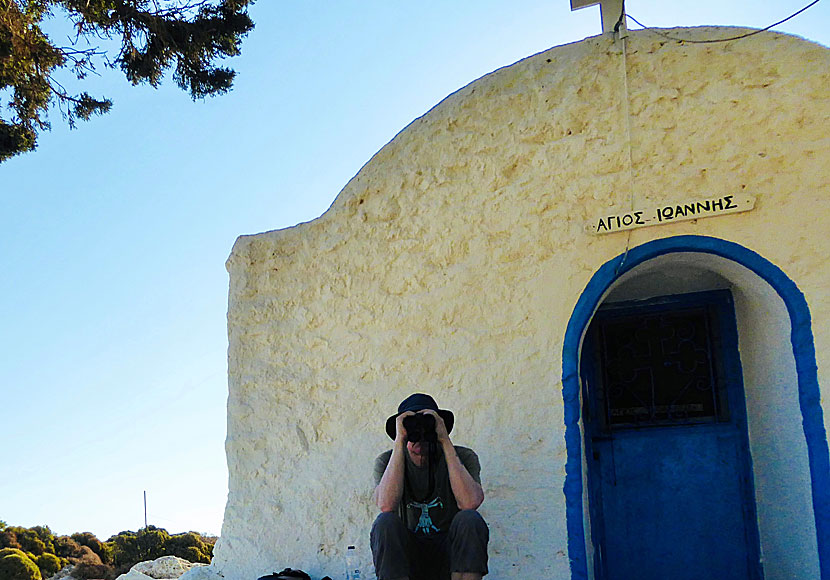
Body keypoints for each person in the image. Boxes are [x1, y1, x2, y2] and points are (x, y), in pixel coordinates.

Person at [371, 393, 489, 580]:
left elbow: (470, 503)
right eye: (412, 431)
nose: (420, 438)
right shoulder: (387, 461)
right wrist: (400, 440)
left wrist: (443, 439)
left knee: (470, 519)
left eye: (427, 429)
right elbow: (386, 505)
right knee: (385, 522)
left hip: (450, 554)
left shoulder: (463, 457)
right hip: (408, 557)